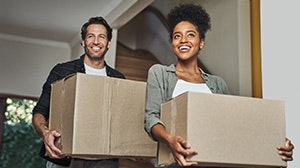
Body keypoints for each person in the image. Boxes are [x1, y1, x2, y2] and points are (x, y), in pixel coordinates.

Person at [144, 3, 294, 167]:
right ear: (172, 43)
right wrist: (170, 140)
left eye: (190, 35)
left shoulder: (217, 83)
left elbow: (236, 123)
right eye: (177, 36)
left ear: (201, 42)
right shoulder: (159, 73)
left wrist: (277, 140)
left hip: (214, 161)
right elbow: (151, 118)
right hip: (176, 163)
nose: (183, 40)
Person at [32, 16, 125, 168]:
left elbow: (122, 121)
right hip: (64, 155)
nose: (96, 41)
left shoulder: (119, 79)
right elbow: (40, 111)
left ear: (108, 43)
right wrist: (45, 133)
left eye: (101, 37)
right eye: (90, 36)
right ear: (83, 42)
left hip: (105, 159)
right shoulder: (62, 71)